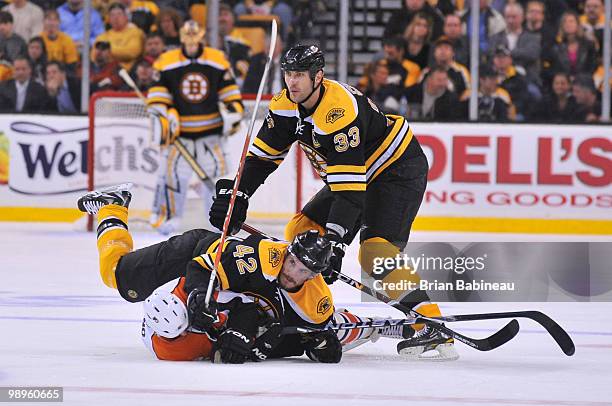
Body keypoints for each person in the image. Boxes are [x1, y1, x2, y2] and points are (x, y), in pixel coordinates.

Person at [208, 44, 459, 361]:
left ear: (318, 77)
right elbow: (260, 160)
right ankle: (310, 311)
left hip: (396, 168)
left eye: (300, 74)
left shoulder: (338, 110)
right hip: (358, 176)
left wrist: (336, 243)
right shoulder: (285, 104)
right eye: (288, 74)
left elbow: (349, 189)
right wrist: (237, 195)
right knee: (301, 231)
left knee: (375, 253)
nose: (293, 82)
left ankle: (432, 325)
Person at [76, 183, 343, 364]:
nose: (293, 272)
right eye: (293, 263)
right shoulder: (256, 262)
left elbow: (315, 326)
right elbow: (200, 270)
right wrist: (199, 295)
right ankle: (112, 205)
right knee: (115, 276)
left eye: (303, 269)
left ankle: (112, 207)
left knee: (117, 275)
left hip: (209, 267)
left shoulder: (305, 290)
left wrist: (317, 343)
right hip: (199, 254)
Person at [146, 20, 244, 235]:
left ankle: (218, 223)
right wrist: (165, 115)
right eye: (187, 37)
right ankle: (168, 222)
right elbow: (157, 98)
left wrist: (233, 112)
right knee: (173, 179)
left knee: (217, 181)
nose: (191, 42)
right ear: (181, 37)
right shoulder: (166, 61)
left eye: (194, 37)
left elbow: (230, 94)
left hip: (211, 135)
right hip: (179, 138)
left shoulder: (217, 59)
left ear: (200, 36)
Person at [94, 3, 145, 71]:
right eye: (112, 15)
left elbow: (132, 53)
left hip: (128, 71)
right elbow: (94, 55)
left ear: (126, 17)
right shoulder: (102, 36)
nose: (116, 17)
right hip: (105, 72)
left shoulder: (135, 32)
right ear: (108, 19)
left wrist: (108, 51)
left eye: (119, 14)